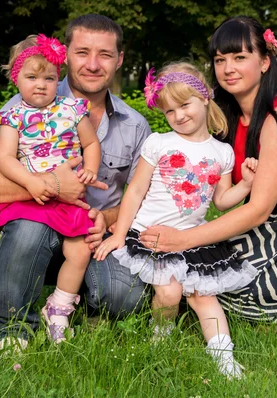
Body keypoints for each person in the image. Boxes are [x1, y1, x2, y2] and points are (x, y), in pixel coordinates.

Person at [0, 14, 152, 349]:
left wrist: (105, 218)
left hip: (92, 239)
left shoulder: (135, 126)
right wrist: (51, 186)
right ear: (65, 54)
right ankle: (14, 326)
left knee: (127, 298)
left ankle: (66, 300)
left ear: (119, 60)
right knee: (28, 230)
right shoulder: (29, 100)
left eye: (105, 55)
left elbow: (146, 198)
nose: (93, 65)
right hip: (37, 221)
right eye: (82, 52)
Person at [139, 16, 277, 324]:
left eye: (240, 57)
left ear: (264, 62)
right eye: (220, 59)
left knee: (197, 277)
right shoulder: (229, 118)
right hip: (250, 228)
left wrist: (183, 239)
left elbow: (259, 211)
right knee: (174, 268)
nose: (228, 69)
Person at [94, 62, 259, 378]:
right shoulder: (159, 142)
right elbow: (135, 191)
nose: (179, 115)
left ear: (205, 98)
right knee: (168, 293)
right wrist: (121, 233)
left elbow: (222, 201)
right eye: (170, 111)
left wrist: (246, 185)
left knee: (203, 296)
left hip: (191, 238)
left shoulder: (222, 152)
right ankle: (161, 336)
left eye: (185, 105)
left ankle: (224, 358)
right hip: (150, 234)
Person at [0, 34, 102, 343]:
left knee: (79, 249)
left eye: (49, 78)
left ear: (58, 79)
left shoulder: (73, 110)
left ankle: (60, 306)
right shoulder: (12, 116)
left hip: (67, 198)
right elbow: (5, 158)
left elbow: (91, 143)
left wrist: (90, 168)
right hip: (30, 191)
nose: (41, 84)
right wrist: (32, 182)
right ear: (15, 79)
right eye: (31, 77)